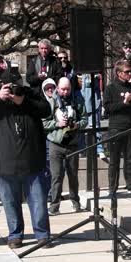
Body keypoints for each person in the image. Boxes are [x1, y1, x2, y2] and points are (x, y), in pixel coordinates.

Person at [0, 72, 52, 249]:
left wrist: (23, 101)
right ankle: (15, 235)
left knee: (38, 200)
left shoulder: (29, 94)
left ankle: (42, 235)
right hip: (4, 162)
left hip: (32, 160)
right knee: (10, 202)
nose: (11, 89)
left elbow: (46, 110)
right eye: (7, 86)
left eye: (14, 84)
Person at [43, 77, 87, 215]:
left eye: (68, 89)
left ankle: (75, 201)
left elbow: (85, 119)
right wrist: (57, 124)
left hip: (72, 143)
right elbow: (43, 123)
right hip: (56, 143)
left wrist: (76, 125)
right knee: (56, 176)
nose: (65, 92)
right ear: (57, 88)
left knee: (73, 175)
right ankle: (54, 205)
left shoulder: (77, 101)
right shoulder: (51, 102)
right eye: (62, 89)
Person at [103, 61, 131, 195]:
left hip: (130, 126)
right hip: (116, 127)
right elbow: (108, 108)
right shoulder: (111, 88)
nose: (129, 74)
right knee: (114, 160)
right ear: (119, 73)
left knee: (130, 157)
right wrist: (124, 103)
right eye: (127, 72)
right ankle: (112, 187)